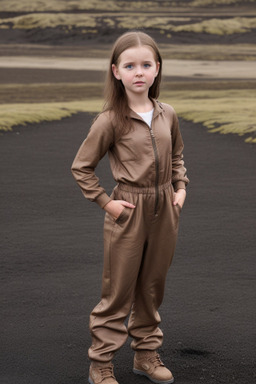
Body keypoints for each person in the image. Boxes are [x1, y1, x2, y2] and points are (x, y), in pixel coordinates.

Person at [71, 31, 189, 384]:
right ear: (116, 71)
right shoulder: (110, 119)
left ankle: (146, 355)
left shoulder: (167, 113)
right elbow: (82, 167)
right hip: (129, 209)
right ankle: (101, 363)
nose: (139, 72)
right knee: (118, 289)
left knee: (152, 286)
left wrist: (180, 187)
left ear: (156, 70)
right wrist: (109, 203)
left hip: (165, 208)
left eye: (146, 65)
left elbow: (178, 155)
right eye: (130, 65)